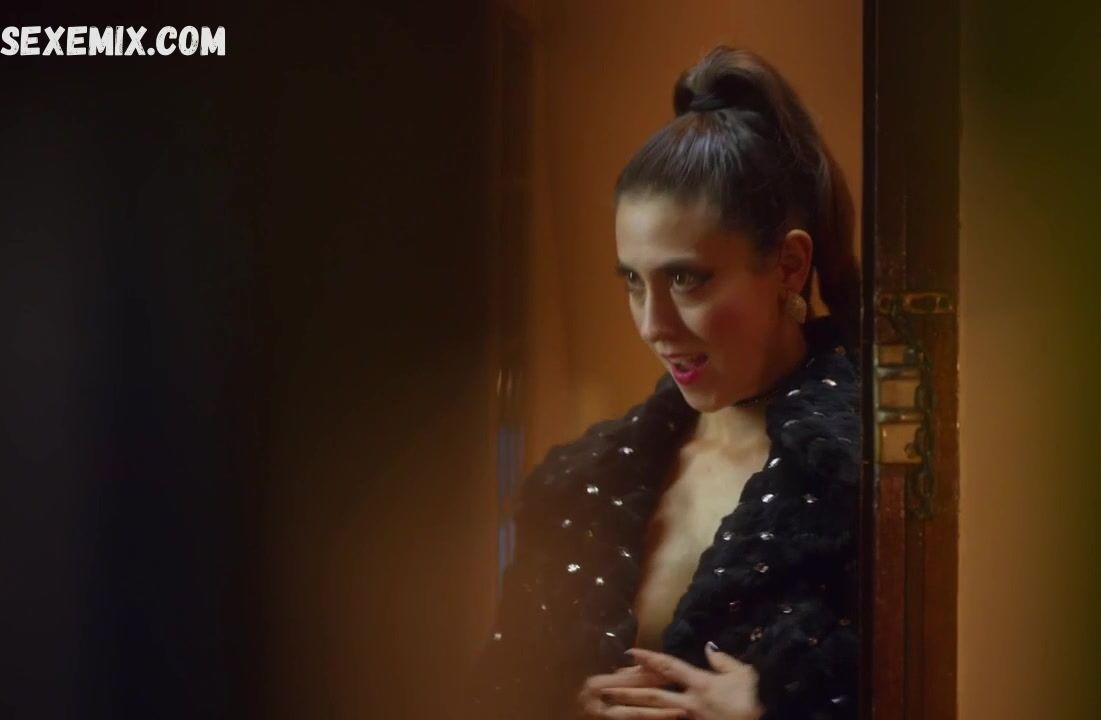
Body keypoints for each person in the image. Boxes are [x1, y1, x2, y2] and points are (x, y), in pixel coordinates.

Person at [469, 46, 861, 720]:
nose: (653, 326)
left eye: (685, 278)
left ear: (789, 266)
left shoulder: (876, 480)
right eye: (632, 281)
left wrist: (773, 713)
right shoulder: (577, 488)